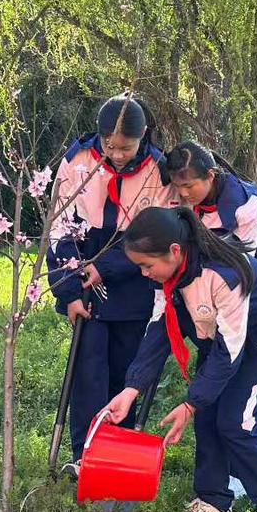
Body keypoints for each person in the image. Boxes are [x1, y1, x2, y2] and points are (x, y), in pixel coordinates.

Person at [103, 207, 257, 512]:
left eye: (147, 266)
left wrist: (191, 402)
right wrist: (132, 388)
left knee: (237, 421)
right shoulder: (167, 277)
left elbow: (231, 352)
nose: (144, 273)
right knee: (208, 417)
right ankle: (214, 499)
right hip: (216, 334)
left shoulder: (223, 274)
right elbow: (160, 330)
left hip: (255, 336)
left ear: (175, 252)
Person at [47, 96, 176, 471]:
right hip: (82, 270)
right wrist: (69, 291)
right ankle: (82, 456)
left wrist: (110, 266)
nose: (117, 154)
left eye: (126, 147)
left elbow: (159, 235)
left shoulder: (160, 170)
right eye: (109, 145)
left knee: (125, 369)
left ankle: (115, 457)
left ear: (144, 137)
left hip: (135, 275)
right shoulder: (77, 160)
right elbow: (59, 227)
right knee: (87, 371)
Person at [164, 140, 257, 284]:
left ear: (210, 175)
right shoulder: (186, 199)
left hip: (255, 277)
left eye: (188, 186)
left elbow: (243, 264)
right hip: (210, 274)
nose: (183, 193)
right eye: (177, 186)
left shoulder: (244, 206)